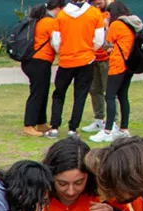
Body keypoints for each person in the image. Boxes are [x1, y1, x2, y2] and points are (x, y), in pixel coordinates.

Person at [46, 0, 105, 139]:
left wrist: (63, 51)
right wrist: (89, 50)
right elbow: (99, 40)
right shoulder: (95, 14)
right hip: (86, 60)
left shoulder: (61, 15)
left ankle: (54, 127)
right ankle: (73, 129)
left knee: (59, 94)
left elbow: (56, 41)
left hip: (66, 61)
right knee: (80, 95)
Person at [90, 3, 141, 143]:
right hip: (129, 64)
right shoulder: (132, 23)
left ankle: (108, 130)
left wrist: (106, 26)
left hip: (118, 64)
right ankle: (124, 129)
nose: (107, 16)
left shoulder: (117, 24)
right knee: (123, 96)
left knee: (110, 96)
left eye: (108, 14)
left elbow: (106, 43)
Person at [21, 0, 63, 137]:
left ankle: (40, 121)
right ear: (58, 8)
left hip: (32, 61)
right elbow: (56, 42)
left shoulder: (38, 21)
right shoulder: (51, 23)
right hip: (40, 61)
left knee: (42, 91)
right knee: (37, 93)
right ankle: (29, 125)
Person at [81, 0, 110, 136]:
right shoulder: (90, 13)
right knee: (94, 89)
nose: (97, 6)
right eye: (95, 4)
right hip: (93, 56)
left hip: (106, 57)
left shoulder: (111, 13)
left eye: (99, 3)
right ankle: (99, 119)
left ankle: (112, 122)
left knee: (109, 90)